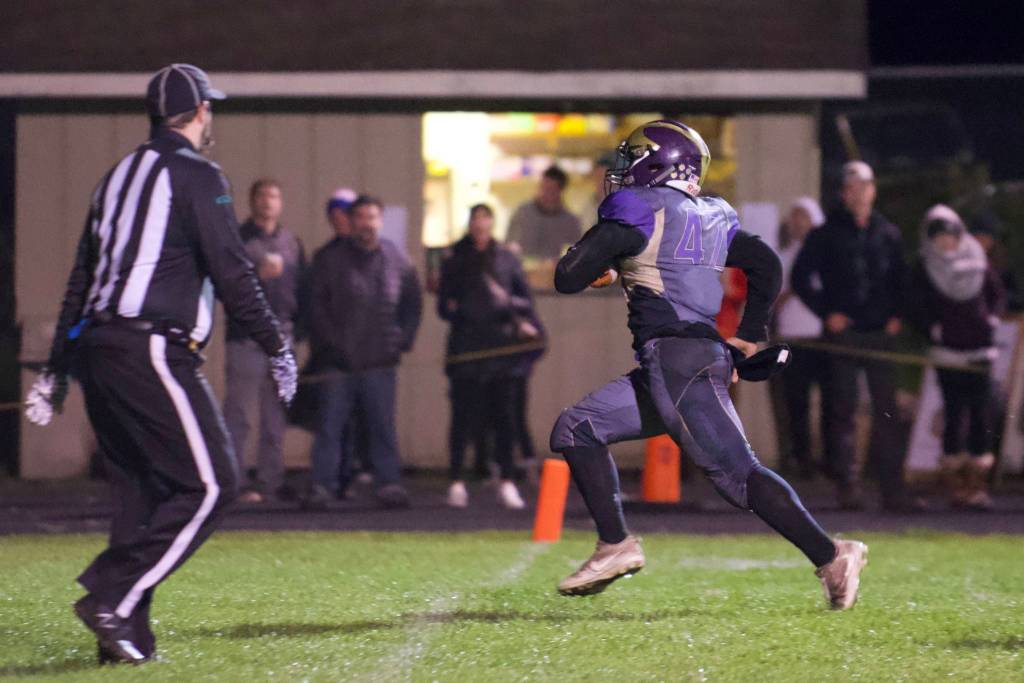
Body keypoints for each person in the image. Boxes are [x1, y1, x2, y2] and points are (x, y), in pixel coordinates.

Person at [23, 64, 296, 664]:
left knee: (142, 497)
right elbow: (232, 269)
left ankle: (124, 641)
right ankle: (112, 596)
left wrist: (58, 367)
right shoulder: (200, 175)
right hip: (151, 347)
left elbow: (81, 279)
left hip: (100, 347)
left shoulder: (116, 175)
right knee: (213, 483)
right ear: (200, 112)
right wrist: (276, 343)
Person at [549, 119, 866, 608]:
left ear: (659, 162)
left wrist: (598, 259)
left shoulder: (637, 209)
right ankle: (615, 545)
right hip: (682, 361)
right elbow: (765, 264)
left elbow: (567, 277)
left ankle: (832, 554)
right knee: (577, 428)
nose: (623, 170)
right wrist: (747, 337)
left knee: (739, 474)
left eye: (632, 158)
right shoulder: (709, 214)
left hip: (679, 361)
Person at [791, 161, 914, 512]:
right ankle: (848, 487)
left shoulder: (887, 233)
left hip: (880, 334)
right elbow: (801, 279)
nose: (861, 193)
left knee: (886, 412)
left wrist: (897, 316)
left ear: (874, 190)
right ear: (844, 193)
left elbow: (902, 280)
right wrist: (826, 313)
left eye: (866, 186)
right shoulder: (826, 234)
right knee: (843, 411)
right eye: (854, 187)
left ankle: (893, 488)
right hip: (845, 335)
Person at [305, 195, 422, 509]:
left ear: (380, 221)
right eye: (361, 217)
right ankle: (321, 486)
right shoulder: (329, 259)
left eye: (372, 217)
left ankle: (389, 484)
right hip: (337, 364)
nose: (367, 224)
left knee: (382, 427)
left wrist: (401, 340)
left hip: (380, 363)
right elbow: (316, 308)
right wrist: (332, 346)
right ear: (351, 221)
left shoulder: (398, 259)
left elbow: (413, 305)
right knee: (329, 428)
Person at [437, 204, 538, 509]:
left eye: (485, 219)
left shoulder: (507, 258)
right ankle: (456, 480)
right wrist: (460, 310)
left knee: (504, 418)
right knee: (462, 419)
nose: (480, 225)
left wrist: (512, 311)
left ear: (492, 223)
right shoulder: (455, 259)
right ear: (470, 224)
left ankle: (507, 480)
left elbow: (525, 299)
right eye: (476, 219)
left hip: (501, 349)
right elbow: (443, 305)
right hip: (466, 349)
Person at [909, 205, 1005, 509]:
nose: (945, 243)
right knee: (953, 414)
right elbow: (915, 305)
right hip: (947, 352)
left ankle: (977, 486)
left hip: (979, 350)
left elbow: (997, 294)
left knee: (981, 415)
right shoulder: (925, 267)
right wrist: (932, 329)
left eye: (949, 236)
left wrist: (991, 320)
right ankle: (957, 486)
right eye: (938, 237)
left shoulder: (977, 258)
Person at [223, 178, 307, 504]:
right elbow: (226, 284)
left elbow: (303, 287)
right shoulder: (238, 239)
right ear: (252, 201)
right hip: (246, 338)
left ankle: (270, 481)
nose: (269, 202)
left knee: (275, 417)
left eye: (274, 196)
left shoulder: (291, 242)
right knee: (239, 414)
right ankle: (232, 481)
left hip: (281, 337)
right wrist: (257, 274)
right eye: (263, 196)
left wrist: (299, 330)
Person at [773, 197, 828, 479]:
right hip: (792, 338)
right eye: (793, 216)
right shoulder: (782, 256)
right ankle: (801, 459)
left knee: (830, 403)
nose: (797, 222)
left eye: (803, 216)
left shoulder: (825, 255)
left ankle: (829, 460)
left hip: (821, 338)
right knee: (796, 403)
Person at [506, 165, 582, 262]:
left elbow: (576, 256)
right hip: (523, 272)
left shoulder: (571, 222)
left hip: (553, 274)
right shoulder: (523, 213)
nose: (545, 193)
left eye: (551, 190)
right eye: (543, 187)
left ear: (560, 191)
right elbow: (508, 244)